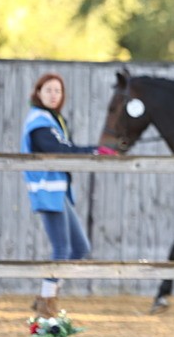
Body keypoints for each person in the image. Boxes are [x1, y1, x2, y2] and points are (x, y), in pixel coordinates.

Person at [21, 73, 115, 318]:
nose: (53, 95)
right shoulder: (39, 121)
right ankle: (47, 301)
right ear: (38, 93)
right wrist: (93, 150)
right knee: (61, 248)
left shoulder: (54, 119)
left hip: (59, 192)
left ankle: (47, 293)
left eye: (58, 91)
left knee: (80, 247)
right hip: (48, 192)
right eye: (48, 90)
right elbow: (58, 150)